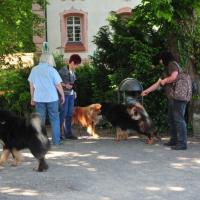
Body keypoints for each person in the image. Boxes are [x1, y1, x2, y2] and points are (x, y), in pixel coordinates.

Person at [141, 51, 188, 150]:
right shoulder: (167, 68)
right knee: (172, 120)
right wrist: (147, 91)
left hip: (178, 97)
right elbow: (158, 83)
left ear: (165, 58)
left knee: (179, 120)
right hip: (173, 98)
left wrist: (165, 81)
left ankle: (182, 143)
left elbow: (174, 77)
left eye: (161, 59)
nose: (160, 61)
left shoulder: (172, 64)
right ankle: (174, 140)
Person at [28, 44, 65, 145]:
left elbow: (31, 86)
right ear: (50, 60)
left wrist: (32, 98)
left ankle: (41, 142)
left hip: (39, 98)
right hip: (52, 98)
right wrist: (62, 95)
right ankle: (56, 141)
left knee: (40, 121)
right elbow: (58, 85)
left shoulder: (34, 70)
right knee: (55, 119)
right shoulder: (52, 70)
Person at [59, 54, 81, 140]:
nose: (77, 66)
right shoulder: (62, 71)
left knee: (69, 114)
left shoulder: (73, 72)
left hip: (71, 95)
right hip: (64, 95)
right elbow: (57, 82)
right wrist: (65, 85)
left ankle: (68, 134)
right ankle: (59, 134)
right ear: (72, 62)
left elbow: (74, 83)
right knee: (63, 114)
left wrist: (75, 92)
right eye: (76, 64)